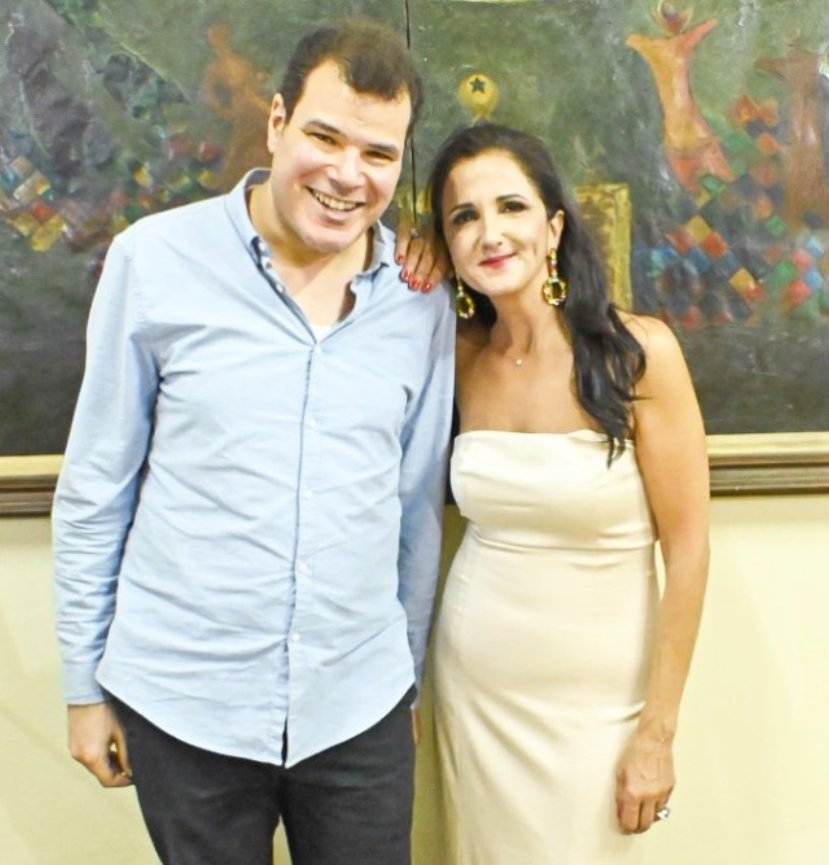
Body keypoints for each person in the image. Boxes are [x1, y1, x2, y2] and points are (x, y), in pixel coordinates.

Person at [52, 20, 454, 865]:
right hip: (185, 703)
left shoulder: (418, 301)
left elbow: (414, 506)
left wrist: (406, 682)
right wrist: (84, 685)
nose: (347, 175)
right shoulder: (154, 262)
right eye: (324, 137)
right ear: (276, 122)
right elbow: (97, 485)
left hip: (358, 704)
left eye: (378, 154)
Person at [427, 123, 710, 864]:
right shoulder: (456, 356)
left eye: (511, 207)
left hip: (600, 706)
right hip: (476, 688)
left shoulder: (638, 355)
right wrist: (407, 253)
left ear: (553, 226)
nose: (490, 233)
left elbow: (687, 551)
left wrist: (657, 732)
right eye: (463, 217)